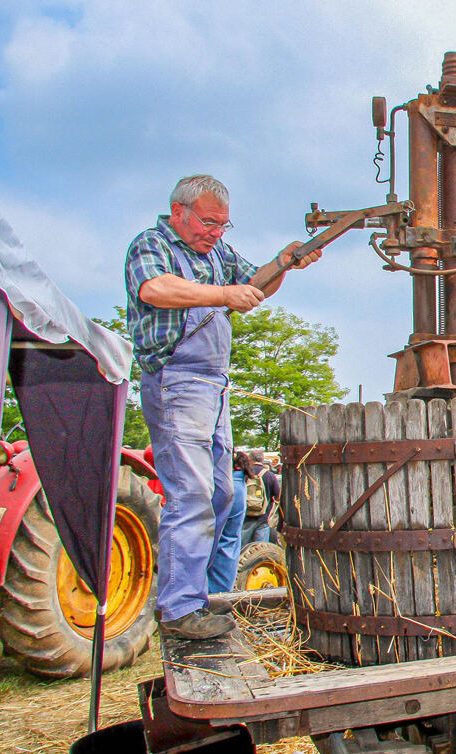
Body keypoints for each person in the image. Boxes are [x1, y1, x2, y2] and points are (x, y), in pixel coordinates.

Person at [125, 174, 321, 640]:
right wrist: (221, 294)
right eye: (209, 223)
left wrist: (284, 262)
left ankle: (199, 593)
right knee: (190, 496)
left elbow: (253, 285)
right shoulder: (151, 245)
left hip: (214, 385)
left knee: (223, 495)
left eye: (223, 226)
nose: (215, 233)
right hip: (176, 382)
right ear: (179, 212)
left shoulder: (217, 254)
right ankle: (178, 608)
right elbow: (155, 289)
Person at [209, 450, 254, 594]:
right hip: (225, 567)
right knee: (228, 542)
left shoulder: (229, 487)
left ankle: (213, 597)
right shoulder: (240, 482)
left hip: (216, 571)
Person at [246, 448, 280, 544]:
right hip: (263, 517)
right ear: (262, 459)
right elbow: (278, 495)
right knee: (261, 549)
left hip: (246, 516)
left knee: (242, 549)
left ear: (250, 459)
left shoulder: (245, 474)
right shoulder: (269, 475)